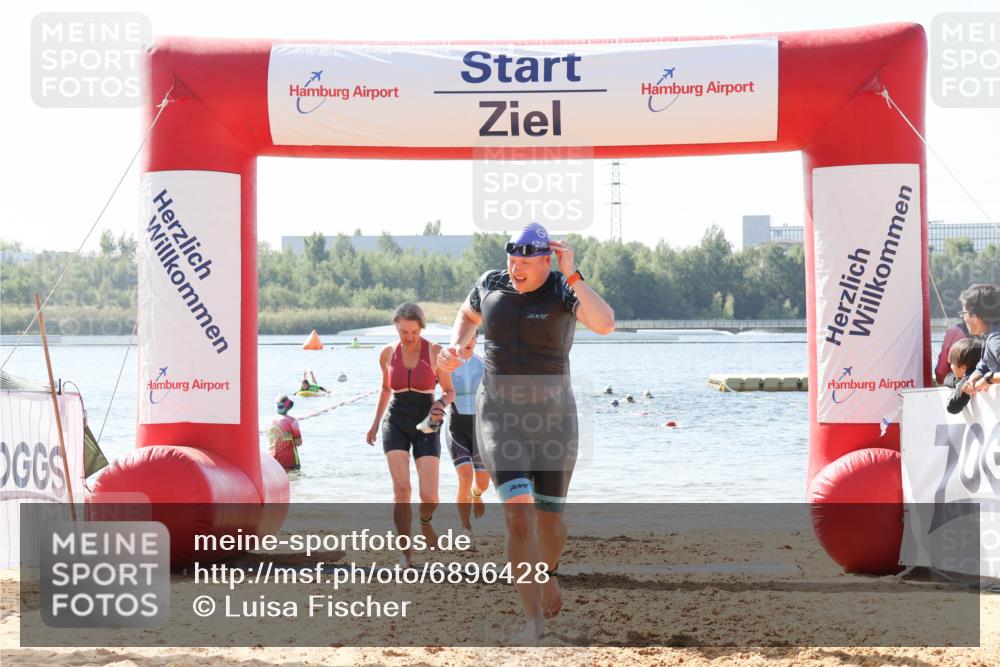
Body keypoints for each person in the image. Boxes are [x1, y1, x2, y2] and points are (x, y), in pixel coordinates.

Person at [437, 222, 615, 640]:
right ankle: (533, 621)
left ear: (547, 260)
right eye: (511, 261)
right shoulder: (490, 284)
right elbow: (466, 316)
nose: (515, 269)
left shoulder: (563, 289)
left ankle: (547, 570)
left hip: (554, 422)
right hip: (499, 415)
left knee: (550, 523)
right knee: (519, 516)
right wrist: (458, 347)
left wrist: (573, 273)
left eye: (524, 263)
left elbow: (605, 324)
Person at [367, 303, 455, 567]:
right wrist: (374, 425)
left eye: (414, 331)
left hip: (427, 421)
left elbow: (449, 391)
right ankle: (405, 551)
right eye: (404, 331)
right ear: (396, 327)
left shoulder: (436, 352)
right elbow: (385, 390)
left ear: (421, 328)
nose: (408, 337)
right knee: (402, 489)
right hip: (395, 421)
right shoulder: (386, 353)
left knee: (430, 496)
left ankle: (426, 522)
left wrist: (440, 404)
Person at [446, 331, 491, 535]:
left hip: (479, 429)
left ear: (476, 339)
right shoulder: (446, 365)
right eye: (465, 338)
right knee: (465, 476)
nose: (469, 342)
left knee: (482, 483)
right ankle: (465, 527)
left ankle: (476, 494)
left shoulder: (483, 364)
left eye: (473, 337)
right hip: (456, 427)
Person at [960, 284, 1000, 396]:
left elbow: (987, 373)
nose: (963, 318)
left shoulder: (995, 339)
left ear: (975, 317)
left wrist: (988, 378)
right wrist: (972, 379)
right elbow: (985, 365)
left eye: (964, 313)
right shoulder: (990, 335)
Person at [945, 337, 984, 414]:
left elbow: (952, 407)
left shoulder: (969, 380)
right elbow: (947, 379)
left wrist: (963, 387)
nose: (951, 367)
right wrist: (958, 381)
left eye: (952, 363)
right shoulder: (984, 370)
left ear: (964, 367)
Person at [267, 395, 303, 470]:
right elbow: (298, 443)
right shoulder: (292, 421)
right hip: (289, 462)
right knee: (294, 480)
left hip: (272, 461)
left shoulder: (270, 421)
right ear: (288, 407)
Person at [935, 318, 970, 385]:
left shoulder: (954, 332)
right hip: (984, 384)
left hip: (959, 384)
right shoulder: (992, 333)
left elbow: (941, 372)